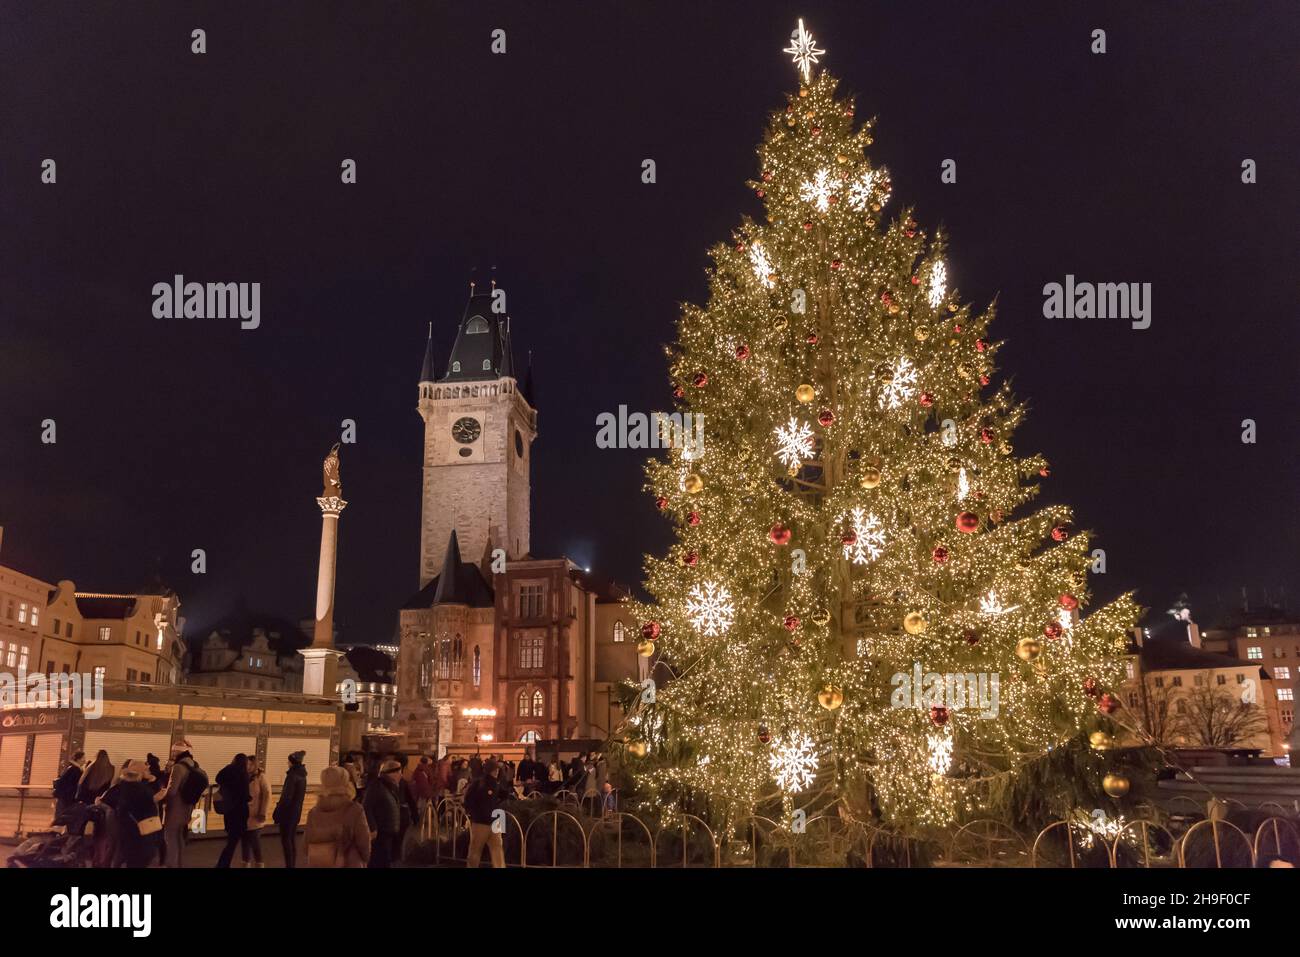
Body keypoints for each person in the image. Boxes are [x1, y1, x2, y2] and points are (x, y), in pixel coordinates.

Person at [100, 759, 162, 868]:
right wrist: (154, 797)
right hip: (140, 830)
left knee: (123, 854)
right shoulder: (140, 789)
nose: (148, 771)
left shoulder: (121, 786)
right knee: (137, 858)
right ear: (140, 773)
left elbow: (105, 800)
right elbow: (147, 806)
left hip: (126, 828)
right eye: (146, 770)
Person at [305, 765, 371, 867]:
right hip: (349, 863)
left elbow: (305, 845)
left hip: (319, 863)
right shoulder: (354, 810)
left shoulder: (313, 813)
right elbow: (364, 843)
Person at [161, 740, 200, 868]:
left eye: (174, 751)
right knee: (179, 838)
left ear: (179, 752)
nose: (172, 753)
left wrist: (162, 798)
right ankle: (180, 864)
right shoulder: (193, 765)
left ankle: (171, 865)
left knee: (170, 839)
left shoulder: (178, 767)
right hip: (187, 807)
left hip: (175, 809)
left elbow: (172, 791)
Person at [464, 759, 506, 868]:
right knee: (487, 850)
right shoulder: (482, 783)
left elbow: (468, 800)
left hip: (486, 821)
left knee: (480, 850)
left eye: (497, 769)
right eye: (494, 770)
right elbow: (469, 800)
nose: (496, 772)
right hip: (487, 821)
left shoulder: (492, 783)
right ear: (489, 771)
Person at [363, 758, 403, 868]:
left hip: (388, 832)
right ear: (391, 773)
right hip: (381, 833)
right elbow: (366, 807)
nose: (401, 776)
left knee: (386, 860)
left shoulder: (389, 787)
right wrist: (373, 828)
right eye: (399, 772)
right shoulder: (377, 786)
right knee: (380, 860)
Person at [214, 753, 251, 868]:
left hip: (229, 811)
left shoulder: (228, 770)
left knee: (232, 840)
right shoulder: (244, 775)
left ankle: (225, 864)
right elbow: (244, 795)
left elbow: (218, 778)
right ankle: (224, 864)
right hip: (240, 812)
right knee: (234, 842)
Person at [273, 750, 308, 868]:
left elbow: (286, 797)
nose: (287, 763)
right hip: (296, 811)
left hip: (287, 813)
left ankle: (289, 865)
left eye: (288, 761)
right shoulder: (302, 776)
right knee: (291, 839)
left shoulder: (292, 776)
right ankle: (291, 864)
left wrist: (277, 811)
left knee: (286, 840)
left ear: (292, 762)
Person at [242, 756, 271, 867]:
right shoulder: (244, 777)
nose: (248, 767)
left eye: (250, 764)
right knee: (245, 842)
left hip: (256, 815)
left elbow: (267, 795)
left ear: (255, 765)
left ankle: (259, 863)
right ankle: (245, 863)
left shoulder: (261, 777)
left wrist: (263, 812)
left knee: (255, 842)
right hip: (244, 815)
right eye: (247, 764)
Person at [53, 751, 86, 819]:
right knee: (62, 816)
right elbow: (70, 783)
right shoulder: (75, 769)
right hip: (66, 796)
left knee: (62, 814)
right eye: (83, 758)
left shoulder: (72, 768)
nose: (85, 760)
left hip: (64, 795)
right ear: (78, 759)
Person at [411, 756, 434, 827]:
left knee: (418, 805)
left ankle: (417, 820)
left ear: (420, 761)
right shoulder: (429, 769)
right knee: (425, 806)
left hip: (418, 790)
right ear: (427, 762)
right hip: (426, 790)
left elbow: (413, 778)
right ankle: (423, 821)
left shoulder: (417, 769)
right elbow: (431, 780)